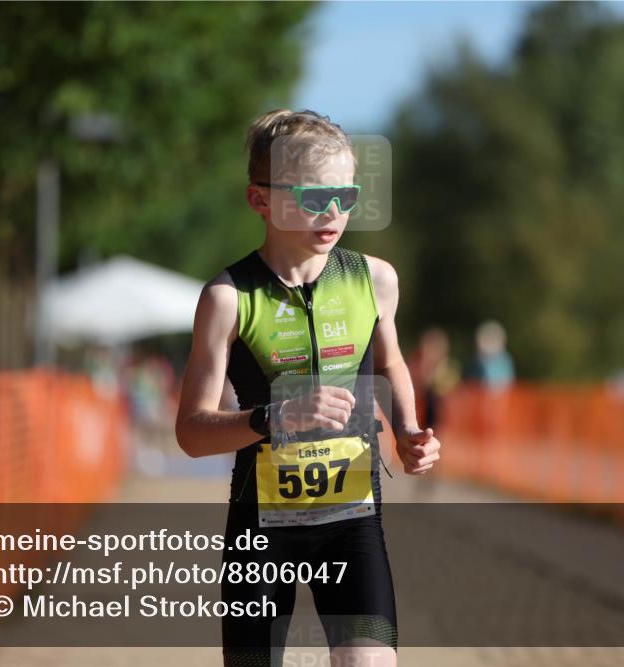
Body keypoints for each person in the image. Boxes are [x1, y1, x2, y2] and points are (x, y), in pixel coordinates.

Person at [175, 109, 441, 667]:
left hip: (352, 522)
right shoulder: (228, 298)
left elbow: (390, 364)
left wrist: (410, 431)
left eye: (345, 195)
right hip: (261, 527)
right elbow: (192, 434)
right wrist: (275, 417)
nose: (334, 212)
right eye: (313, 197)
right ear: (260, 200)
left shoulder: (375, 279)